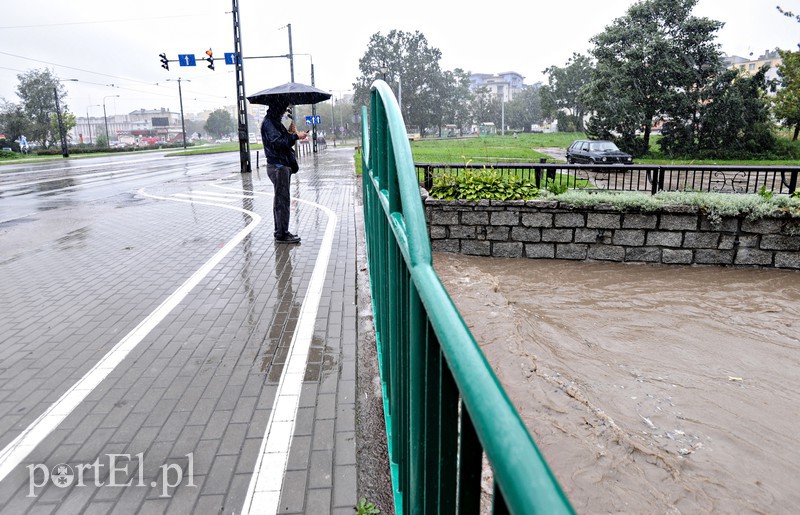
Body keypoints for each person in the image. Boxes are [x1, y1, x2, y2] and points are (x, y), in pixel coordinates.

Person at [260, 100, 307, 244]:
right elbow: (278, 143)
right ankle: (282, 234)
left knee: (281, 200)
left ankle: (281, 232)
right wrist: (294, 136)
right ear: (277, 108)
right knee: (282, 201)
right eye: (282, 109)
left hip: (280, 165)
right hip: (278, 166)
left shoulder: (274, 122)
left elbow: (282, 141)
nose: (284, 113)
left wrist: (291, 134)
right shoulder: (269, 123)